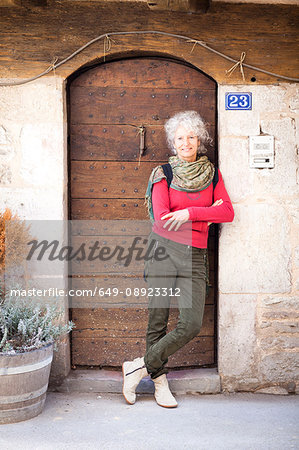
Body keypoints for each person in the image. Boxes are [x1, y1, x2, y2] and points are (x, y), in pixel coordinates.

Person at [122, 110, 234, 408]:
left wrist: (189, 213)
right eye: (180, 138)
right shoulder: (163, 174)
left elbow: (228, 213)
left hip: (195, 256)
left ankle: (137, 366)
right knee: (157, 320)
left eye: (192, 137)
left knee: (191, 323)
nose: (186, 143)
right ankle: (159, 384)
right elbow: (161, 220)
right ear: (173, 142)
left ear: (200, 140)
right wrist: (206, 214)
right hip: (163, 252)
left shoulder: (212, 174)